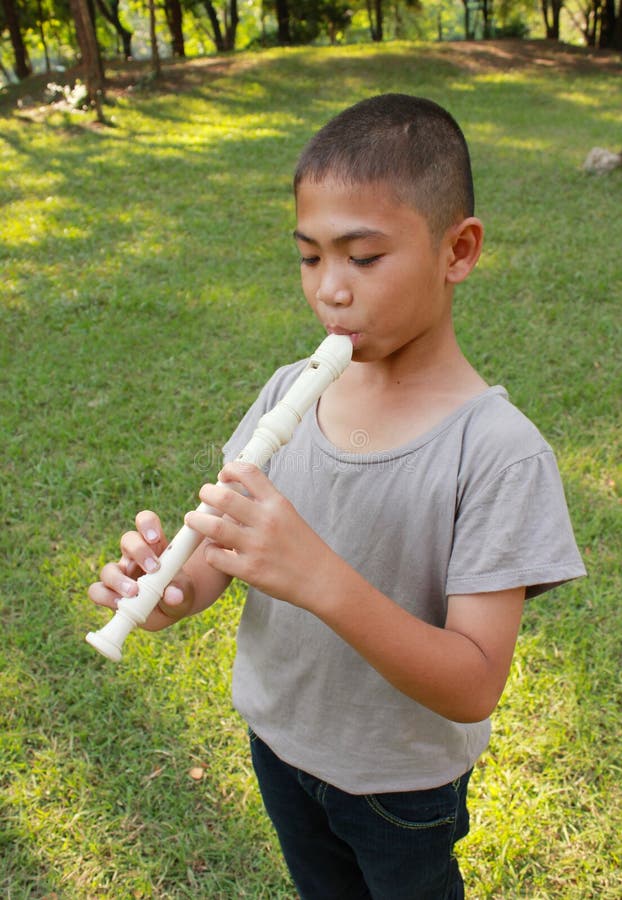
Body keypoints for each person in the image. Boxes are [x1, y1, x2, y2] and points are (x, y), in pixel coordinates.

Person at [89, 94, 586, 899]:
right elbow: (222, 549)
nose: (331, 290)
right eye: (309, 257)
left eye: (362, 257)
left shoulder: (499, 453)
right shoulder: (292, 389)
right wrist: (166, 593)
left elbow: (473, 683)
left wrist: (319, 575)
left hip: (399, 784)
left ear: (457, 251)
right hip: (280, 743)